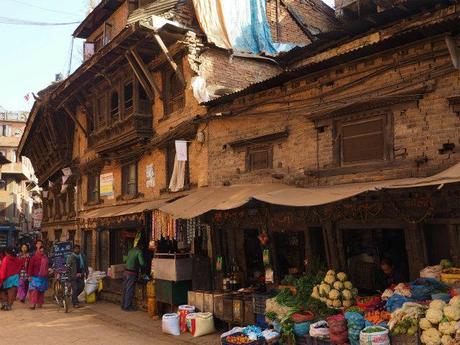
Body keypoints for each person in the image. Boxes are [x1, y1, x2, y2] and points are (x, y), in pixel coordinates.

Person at [121, 242, 145, 311]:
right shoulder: (139, 251)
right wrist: (146, 266)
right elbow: (142, 263)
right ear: (140, 246)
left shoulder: (130, 250)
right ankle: (127, 306)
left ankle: (123, 305)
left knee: (125, 289)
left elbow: (125, 260)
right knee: (129, 290)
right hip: (131, 273)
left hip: (125, 272)